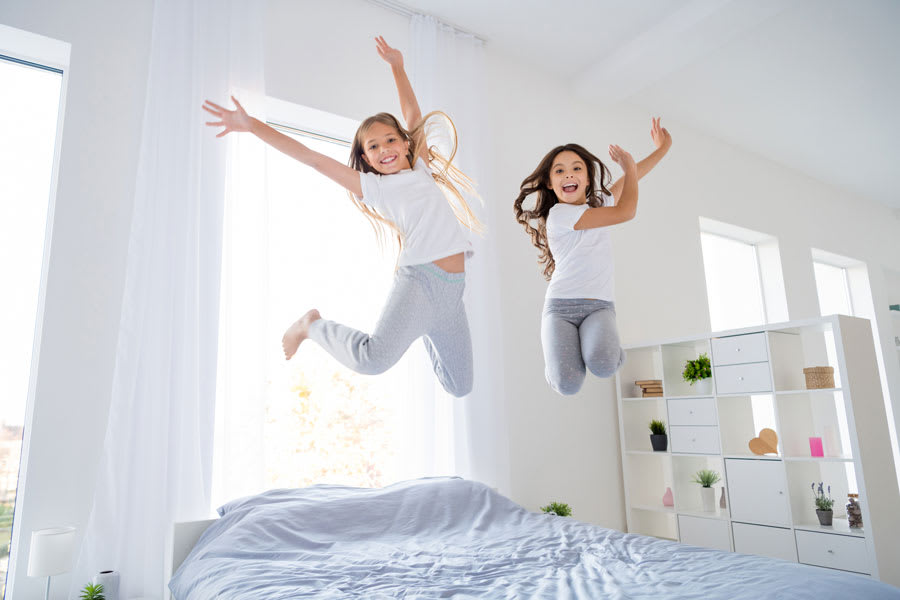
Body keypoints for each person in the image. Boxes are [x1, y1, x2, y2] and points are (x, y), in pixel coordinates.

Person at [202, 36, 481, 397]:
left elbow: (413, 114)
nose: (384, 149)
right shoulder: (376, 189)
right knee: (372, 360)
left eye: (390, 140)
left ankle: (422, 327)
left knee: (460, 387)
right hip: (421, 281)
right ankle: (312, 325)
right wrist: (253, 125)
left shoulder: (422, 169)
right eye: (373, 147)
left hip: (452, 293)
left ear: (407, 144)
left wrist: (397, 66)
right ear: (366, 159)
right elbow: (311, 158)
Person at [513, 118, 672, 395]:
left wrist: (663, 148)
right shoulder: (559, 216)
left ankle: (609, 351)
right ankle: (556, 369)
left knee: (604, 365)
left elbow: (635, 176)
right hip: (560, 309)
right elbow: (626, 211)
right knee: (567, 385)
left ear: (587, 178)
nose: (568, 175)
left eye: (576, 168)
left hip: (599, 307)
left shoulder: (599, 203)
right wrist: (630, 169)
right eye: (559, 171)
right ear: (550, 183)